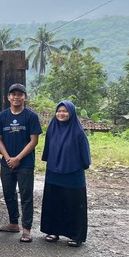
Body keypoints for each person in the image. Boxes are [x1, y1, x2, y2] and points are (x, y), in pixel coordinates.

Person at [0, 83, 42, 243]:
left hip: (25, 163)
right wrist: (8, 158)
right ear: (8, 97)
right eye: (13, 94)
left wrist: (18, 158)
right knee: (8, 193)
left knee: (26, 195)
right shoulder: (1, 116)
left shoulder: (31, 116)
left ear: (25, 97)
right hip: (7, 163)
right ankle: (13, 223)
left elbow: (33, 141)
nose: (16, 97)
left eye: (20, 94)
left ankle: (26, 229)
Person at [40, 101, 91, 247]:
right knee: (53, 202)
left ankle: (76, 236)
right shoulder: (52, 128)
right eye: (59, 111)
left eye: (65, 111)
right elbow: (48, 148)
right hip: (54, 172)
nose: (61, 114)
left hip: (73, 174)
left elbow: (85, 155)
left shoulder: (78, 132)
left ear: (71, 113)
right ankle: (53, 231)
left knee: (73, 204)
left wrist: (78, 166)